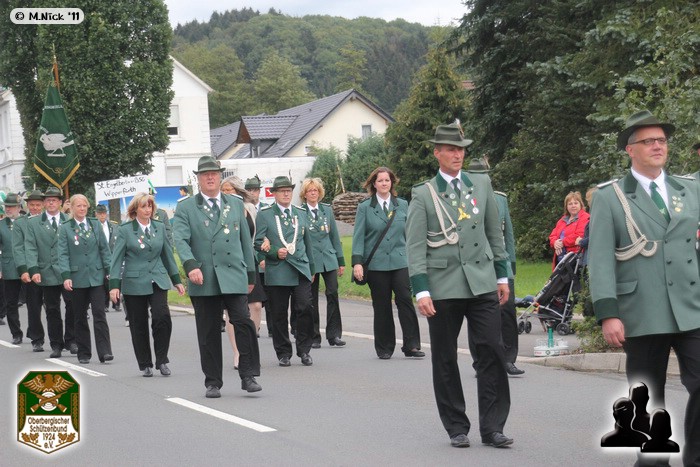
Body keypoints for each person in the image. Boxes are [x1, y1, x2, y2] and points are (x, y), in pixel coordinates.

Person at [589, 109, 700, 466]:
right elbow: (600, 259)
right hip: (641, 310)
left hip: (691, 306)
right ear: (630, 149)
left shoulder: (690, 188)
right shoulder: (611, 196)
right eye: (648, 141)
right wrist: (608, 313)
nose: (657, 146)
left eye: (661, 140)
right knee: (648, 397)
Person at [405, 122, 513, 449]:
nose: (458, 155)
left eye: (461, 149)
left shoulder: (481, 183)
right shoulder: (424, 193)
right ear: (437, 153)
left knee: (492, 350)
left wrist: (502, 275)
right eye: (451, 150)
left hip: (481, 282)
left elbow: (494, 233)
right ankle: (456, 426)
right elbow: (415, 246)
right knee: (445, 358)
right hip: (443, 285)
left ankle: (492, 427)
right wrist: (421, 290)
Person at [173, 156, 261, 398]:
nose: (210, 177)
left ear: (220, 176)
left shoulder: (235, 203)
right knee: (208, 331)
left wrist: (250, 274)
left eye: (214, 173)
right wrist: (191, 265)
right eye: (205, 174)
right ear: (198, 179)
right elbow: (180, 239)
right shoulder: (186, 207)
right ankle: (213, 382)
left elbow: (245, 240)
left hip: (233, 273)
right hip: (204, 276)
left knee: (243, 323)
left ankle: (248, 375)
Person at [109, 193, 185, 377]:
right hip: (134, 282)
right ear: (135, 209)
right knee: (138, 323)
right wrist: (114, 285)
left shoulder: (159, 227)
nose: (147, 210)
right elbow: (116, 259)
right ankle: (145, 363)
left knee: (162, 317)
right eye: (143, 206)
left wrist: (176, 280)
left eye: (150, 206)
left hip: (157, 279)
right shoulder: (125, 230)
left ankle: (162, 360)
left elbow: (167, 255)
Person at [352, 167, 423, 360]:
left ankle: (412, 345)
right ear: (374, 184)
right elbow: (358, 237)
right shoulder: (365, 207)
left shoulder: (402, 204)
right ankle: (384, 347)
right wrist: (357, 263)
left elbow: (410, 234)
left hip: (400, 261)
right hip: (376, 264)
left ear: (392, 183)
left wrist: (416, 258)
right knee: (382, 305)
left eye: (387, 180)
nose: (384, 183)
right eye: (380, 180)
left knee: (405, 300)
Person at [467, 157, 522, 376]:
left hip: (500, 264)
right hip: (476, 265)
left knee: (507, 314)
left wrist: (511, 266)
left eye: (484, 175)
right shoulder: (463, 199)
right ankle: (481, 361)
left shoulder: (500, 199)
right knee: (478, 316)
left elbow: (508, 234)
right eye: (476, 175)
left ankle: (508, 359)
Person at [254, 176, 317, 367]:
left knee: (305, 307)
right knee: (279, 313)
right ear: (274, 194)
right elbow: (258, 242)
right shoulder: (265, 214)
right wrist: (274, 252)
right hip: (278, 270)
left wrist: (311, 268)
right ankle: (283, 352)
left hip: (300, 268)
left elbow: (307, 242)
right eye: (282, 191)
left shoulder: (300, 212)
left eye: (288, 190)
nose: (286, 194)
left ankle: (304, 349)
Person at [57, 194, 113, 364]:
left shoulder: (95, 224)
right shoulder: (65, 228)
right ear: (72, 208)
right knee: (80, 316)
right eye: (78, 206)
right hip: (77, 278)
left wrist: (109, 271)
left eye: (84, 206)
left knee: (99, 313)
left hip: (96, 277)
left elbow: (104, 250)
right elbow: (63, 254)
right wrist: (66, 276)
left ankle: (105, 351)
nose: (82, 209)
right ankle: (84, 353)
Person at [220, 176, 268, 369]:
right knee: (233, 309)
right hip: (229, 263)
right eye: (223, 190)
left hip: (248, 261)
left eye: (229, 190)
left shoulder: (250, 209)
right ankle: (238, 352)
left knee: (255, 305)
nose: (226, 193)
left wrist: (265, 242)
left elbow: (259, 234)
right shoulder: (220, 211)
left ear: (239, 192)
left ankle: (249, 344)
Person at [25, 187, 76, 357]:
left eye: (54, 200)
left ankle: (72, 340)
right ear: (44, 203)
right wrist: (33, 269)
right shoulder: (34, 223)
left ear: (60, 202)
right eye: (48, 200)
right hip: (46, 271)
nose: (51, 203)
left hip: (67, 271)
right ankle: (56, 344)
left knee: (72, 305)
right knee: (52, 309)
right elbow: (30, 247)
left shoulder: (69, 220)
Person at [299, 178, 346, 348]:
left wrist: (340, 261)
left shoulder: (326, 210)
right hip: (311, 260)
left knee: (332, 293)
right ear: (304, 194)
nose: (313, 193)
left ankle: (334, 334)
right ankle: (314, 336)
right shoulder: (300, 212)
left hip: (328, 258)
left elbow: (334, 236)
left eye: (316, 190)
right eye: (310, 190)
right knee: (311, 298)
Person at [13, 190, 47, 352]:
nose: (35, 208)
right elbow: (18, 248)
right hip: (31, 270)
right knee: (34, 306)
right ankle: (36, 338)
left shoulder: (49, 220)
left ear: (43, 205)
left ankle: (60, 339)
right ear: (27, 205)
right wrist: (23, 270)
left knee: (53, 307)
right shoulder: (20, 223)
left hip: (50, 270)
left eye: (38, 205)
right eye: (32, 205)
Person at [245, 175, 273, 337]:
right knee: (253, 298)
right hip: (252, 259)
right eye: (249, 190)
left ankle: (271, 328)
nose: (252, 193)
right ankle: (253, 327)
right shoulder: (243, 208)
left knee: (269, 296)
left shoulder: (266, 209)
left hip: (266, 258)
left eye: (255, 190)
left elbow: (270, 233)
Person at [0, 193, 24, 345]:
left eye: (11, 206)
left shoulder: (27, 222)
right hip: (9, 267)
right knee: (11, 303)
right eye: (6, 206)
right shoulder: (1, 225)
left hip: (27, 268)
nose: (8, 209)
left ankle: (35, 333)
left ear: (19, 208)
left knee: (34, 303)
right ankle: (16, 333)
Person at [548, 191, 589, 269]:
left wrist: (562, 242)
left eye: (576, 203)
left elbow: (579, 235)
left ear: (580, 204)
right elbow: (553, 235)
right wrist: (555, 242)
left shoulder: (585, 217)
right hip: (560, 258)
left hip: (576, 258)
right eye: (570, 204)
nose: (573, 206)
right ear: (566, 206)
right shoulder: (562, 220)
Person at [96, 204, 120, 312]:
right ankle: (105, 304)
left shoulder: (113, 226)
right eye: (100, 213)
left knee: (115, 279)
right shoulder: (94, 226)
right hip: (99, 258)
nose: (102, 215)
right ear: (96, 214)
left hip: (112, 257)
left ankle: (116, 303)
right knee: (103, 282)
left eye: (104, 213)